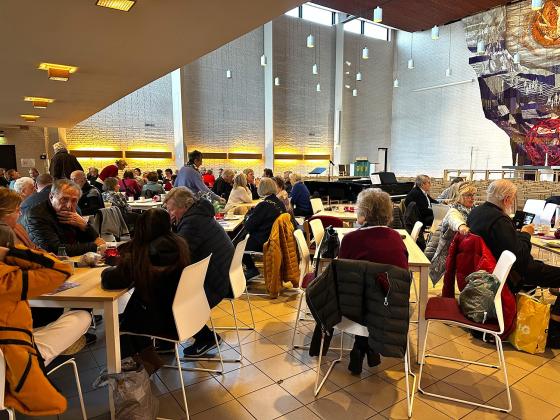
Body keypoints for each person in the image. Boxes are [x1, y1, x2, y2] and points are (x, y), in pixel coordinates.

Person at [101, 208, 190, 373]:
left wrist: (109, 267)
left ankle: (135, 366)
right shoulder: (179, 244)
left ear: (141, 228)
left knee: (121, 322)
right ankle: (147, 356)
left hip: (161, 319)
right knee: (132, 311)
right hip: (181, 312)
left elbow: (111, 281)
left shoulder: (146, 255)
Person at [338, 188, 408, 374]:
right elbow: (402, 276)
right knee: (375, 295)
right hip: (389, 311)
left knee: (360, 292)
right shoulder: (397, 239)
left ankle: (361, 345)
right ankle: (367, 346)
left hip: (351, 311)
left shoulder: (350, 239)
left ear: (363, 212)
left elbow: (342, 278)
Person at [163, 187, 233, 357]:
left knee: (167, 299)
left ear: (184, 207)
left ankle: (206, 338)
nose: (169, 213)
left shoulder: (193, 222)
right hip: (221, 276)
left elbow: (179, 255)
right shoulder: (198, 216)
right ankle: (166, 340)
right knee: (168, 290)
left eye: (171, 209)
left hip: (214, 283)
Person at [25, 179, 105, 256]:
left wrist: (84, 226)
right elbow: (56, 249)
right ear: (51, 197)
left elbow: (95, 240)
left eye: (74, 201)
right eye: (64, 199)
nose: (68, 205)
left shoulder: (73, 210)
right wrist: (94, 246)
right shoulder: (37, 215)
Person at [427, 182, 477, 284]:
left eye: (473, 195)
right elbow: (455, 220)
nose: (472, 198)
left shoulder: (472, 210)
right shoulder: (453, 210)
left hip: (460, 248)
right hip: (450, 251)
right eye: (468, 195)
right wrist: (462, 227)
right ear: (459, 196)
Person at [242, 178, 287, 279]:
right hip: (275, 238)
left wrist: (248, 217)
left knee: (237, 245)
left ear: (262, 189)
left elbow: (249, 226)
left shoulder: (264, 205)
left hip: (264, 241)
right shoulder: (279, 203)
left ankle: (251, 269)